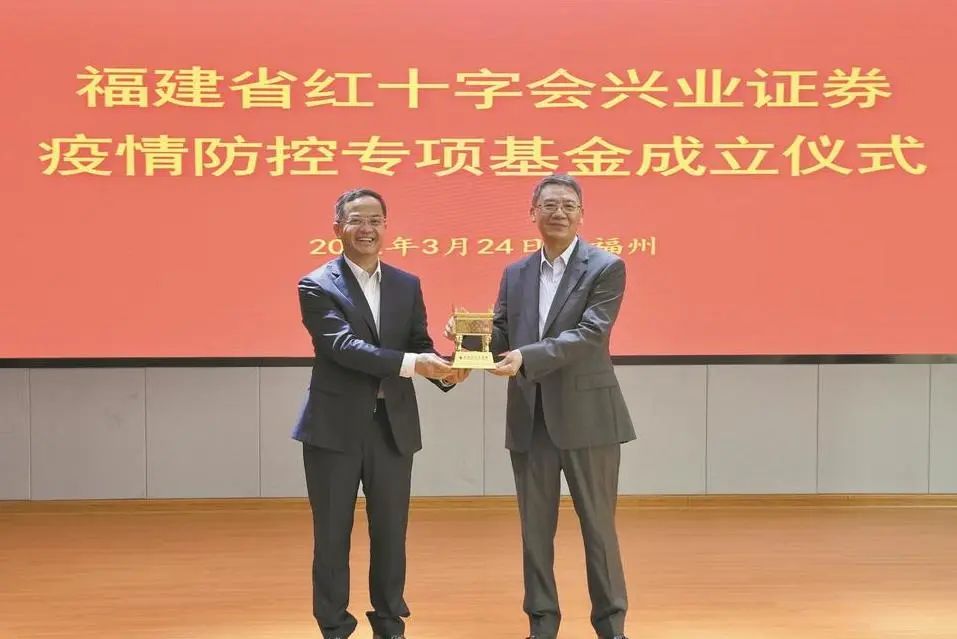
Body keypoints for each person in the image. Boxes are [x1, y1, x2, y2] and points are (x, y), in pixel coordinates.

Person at [447, 174, 635, 639]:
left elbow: (590, 334)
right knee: (535, 532)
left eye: (568, 205)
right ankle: (542, 624)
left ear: (582, 214)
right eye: (549, 205)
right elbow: (503, 334)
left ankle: (611, 626)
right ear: (532, 213)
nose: (559, 212)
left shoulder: (606, 266)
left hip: (589, 417)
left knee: (599, 530)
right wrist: (469, 336)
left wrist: (525, 358)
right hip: (530, 418)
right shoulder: (516, 273)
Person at [294, 188, 467, 639]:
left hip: (393, 427)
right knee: (332, 533)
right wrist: (415, 364)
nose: (366, 229)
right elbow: (343, 347)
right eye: (356, 220)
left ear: (386, 227)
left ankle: (390, 622)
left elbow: (418, 344)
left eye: (375, 220)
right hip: (333, 429)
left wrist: (449, 369)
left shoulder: (407, 284)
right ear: (338, 228)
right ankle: (335, 626)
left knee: (391, 532)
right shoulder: (316, 284)